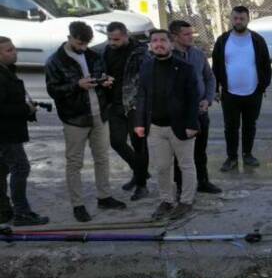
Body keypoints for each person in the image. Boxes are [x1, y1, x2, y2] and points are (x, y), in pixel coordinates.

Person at [45, 21, 127, 222]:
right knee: (74, 162)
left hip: (99, 114)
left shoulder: (93, 56)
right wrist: (77, 85)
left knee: (102, 158)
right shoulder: (55, 61)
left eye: (86, 44)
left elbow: (100, 77)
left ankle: (104, 196)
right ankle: (78, 204)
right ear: (70, 38)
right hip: (74, 119)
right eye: (80, 43)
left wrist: (105, 81)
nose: (83, 47)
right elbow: (53, 90)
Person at [133, 30, 200, 220]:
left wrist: (192, 123)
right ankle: (166, 200)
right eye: (155, 41)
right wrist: (139, 122)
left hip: (180, 126)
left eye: (163, 40)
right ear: (150, 45)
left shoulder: (185, 67)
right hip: (154, 127)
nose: (159, 44)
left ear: (171, 44)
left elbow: (193, 98)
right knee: (162, 167)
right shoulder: (146, 66)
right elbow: (142, 95)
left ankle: (186, 201)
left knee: (186, 165)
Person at [95, 22, 150, 201]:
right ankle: (140, 171)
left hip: (134, 105)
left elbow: (147, 77)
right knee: (117, 142)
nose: (112, 42)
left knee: (139, 145)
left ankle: (141, 184)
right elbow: (99, 71)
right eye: (110, 38)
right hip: (114, 104)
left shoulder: (140, 52)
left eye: (116, 39)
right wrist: (103, 79)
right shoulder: (106, 51)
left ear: (126, 35)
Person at [212, 5, 271, 172]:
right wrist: (215, 89)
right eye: (235, 18)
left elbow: (266, 65)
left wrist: (263, 86)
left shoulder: (257, 40)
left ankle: (247, 154)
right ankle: (231, 157)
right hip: (229, 94)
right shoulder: (223, 40)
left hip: (253, 93)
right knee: (230, 127)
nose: (238, 21)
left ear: (247, 19)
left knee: (249, 125)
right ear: (231, 19)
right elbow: (216, 67)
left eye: (241, 19)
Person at [0, 36, 48, 226]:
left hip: (10, 131)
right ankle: (21, 212)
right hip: (6, 133)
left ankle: (5, 211)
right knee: (20, 168)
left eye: (13, 49)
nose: (14, 53)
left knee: (3, 169)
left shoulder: (8, 71)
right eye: (8, 50)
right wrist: (25, 109)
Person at [170, 19, 221, 194]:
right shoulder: (168, 57)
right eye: (186, 34)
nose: (191, 37)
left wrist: (208, 99)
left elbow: (209, 78)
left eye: (192, 33)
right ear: (175, 37)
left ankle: (203, 181)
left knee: (200, 150)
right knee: (180, 154)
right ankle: (180, 187)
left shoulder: (198, 54)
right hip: (180, 115)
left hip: (200, 112)